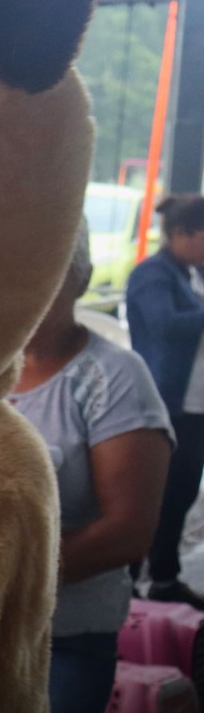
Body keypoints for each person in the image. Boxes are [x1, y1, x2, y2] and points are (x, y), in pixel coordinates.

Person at [10, 221, 172, 713]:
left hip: (64, 642)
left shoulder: (113, 376)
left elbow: (127, 532)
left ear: (78, 280)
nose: (25, 288)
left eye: (47, 272)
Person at [125, 193, 204, 609]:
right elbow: (165, 327)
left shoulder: (191, 274)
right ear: (181, 234)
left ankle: (164, 577)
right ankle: (130, 583)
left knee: (180, 494)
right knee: (152, 497)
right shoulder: (153, 275)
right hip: (164, 406)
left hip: (192, 408)